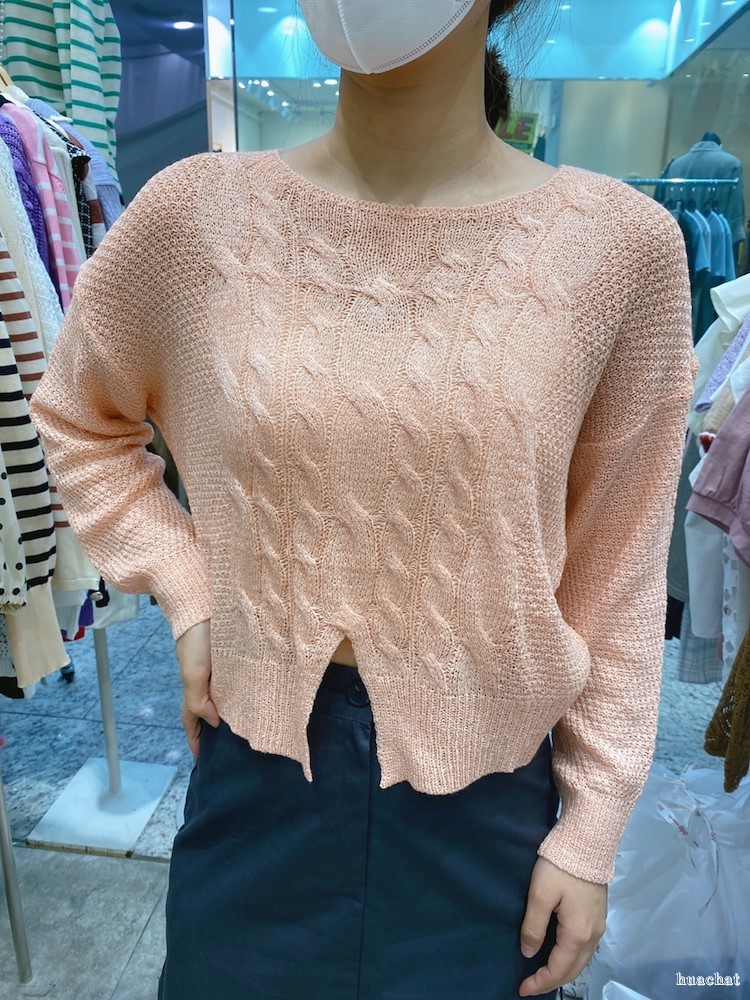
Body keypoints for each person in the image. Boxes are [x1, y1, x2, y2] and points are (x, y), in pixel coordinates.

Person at [29, 1, 698, 998]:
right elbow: (79, 417)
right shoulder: (195, 218)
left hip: (488, 813)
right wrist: (188, 586)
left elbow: (619, 569)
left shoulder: (619, 251)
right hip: (258, 782)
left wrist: (593, 826)